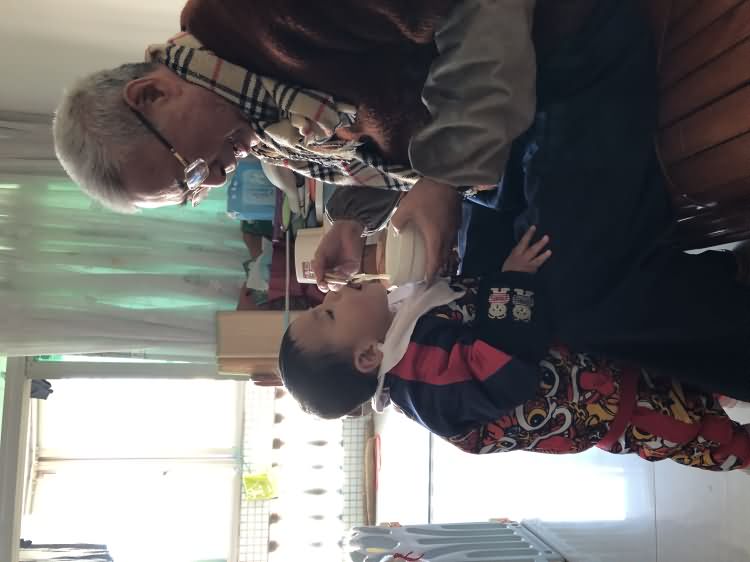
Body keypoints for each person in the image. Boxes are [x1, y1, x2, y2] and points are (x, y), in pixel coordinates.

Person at [52, 0, 750, 399]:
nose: (212, 179)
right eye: (193, 192)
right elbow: (376, 152)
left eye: (189, 171)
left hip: (564, 47)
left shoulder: (252, 14)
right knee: (486, 293)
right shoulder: (256, 122)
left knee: (578, 301)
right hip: (510, 129)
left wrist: (444, 177)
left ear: (151, 94)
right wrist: (347, 219)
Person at [278, 229, 750, 473]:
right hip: (613, 409)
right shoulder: (422, 384)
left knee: (679, 358)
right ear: (368, 356)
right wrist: (512, 281)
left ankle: (722, 343)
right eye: (329, 314)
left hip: (600, 368)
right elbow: (501, 368)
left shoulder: (402, 324)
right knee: (698, 433)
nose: (333, 296)